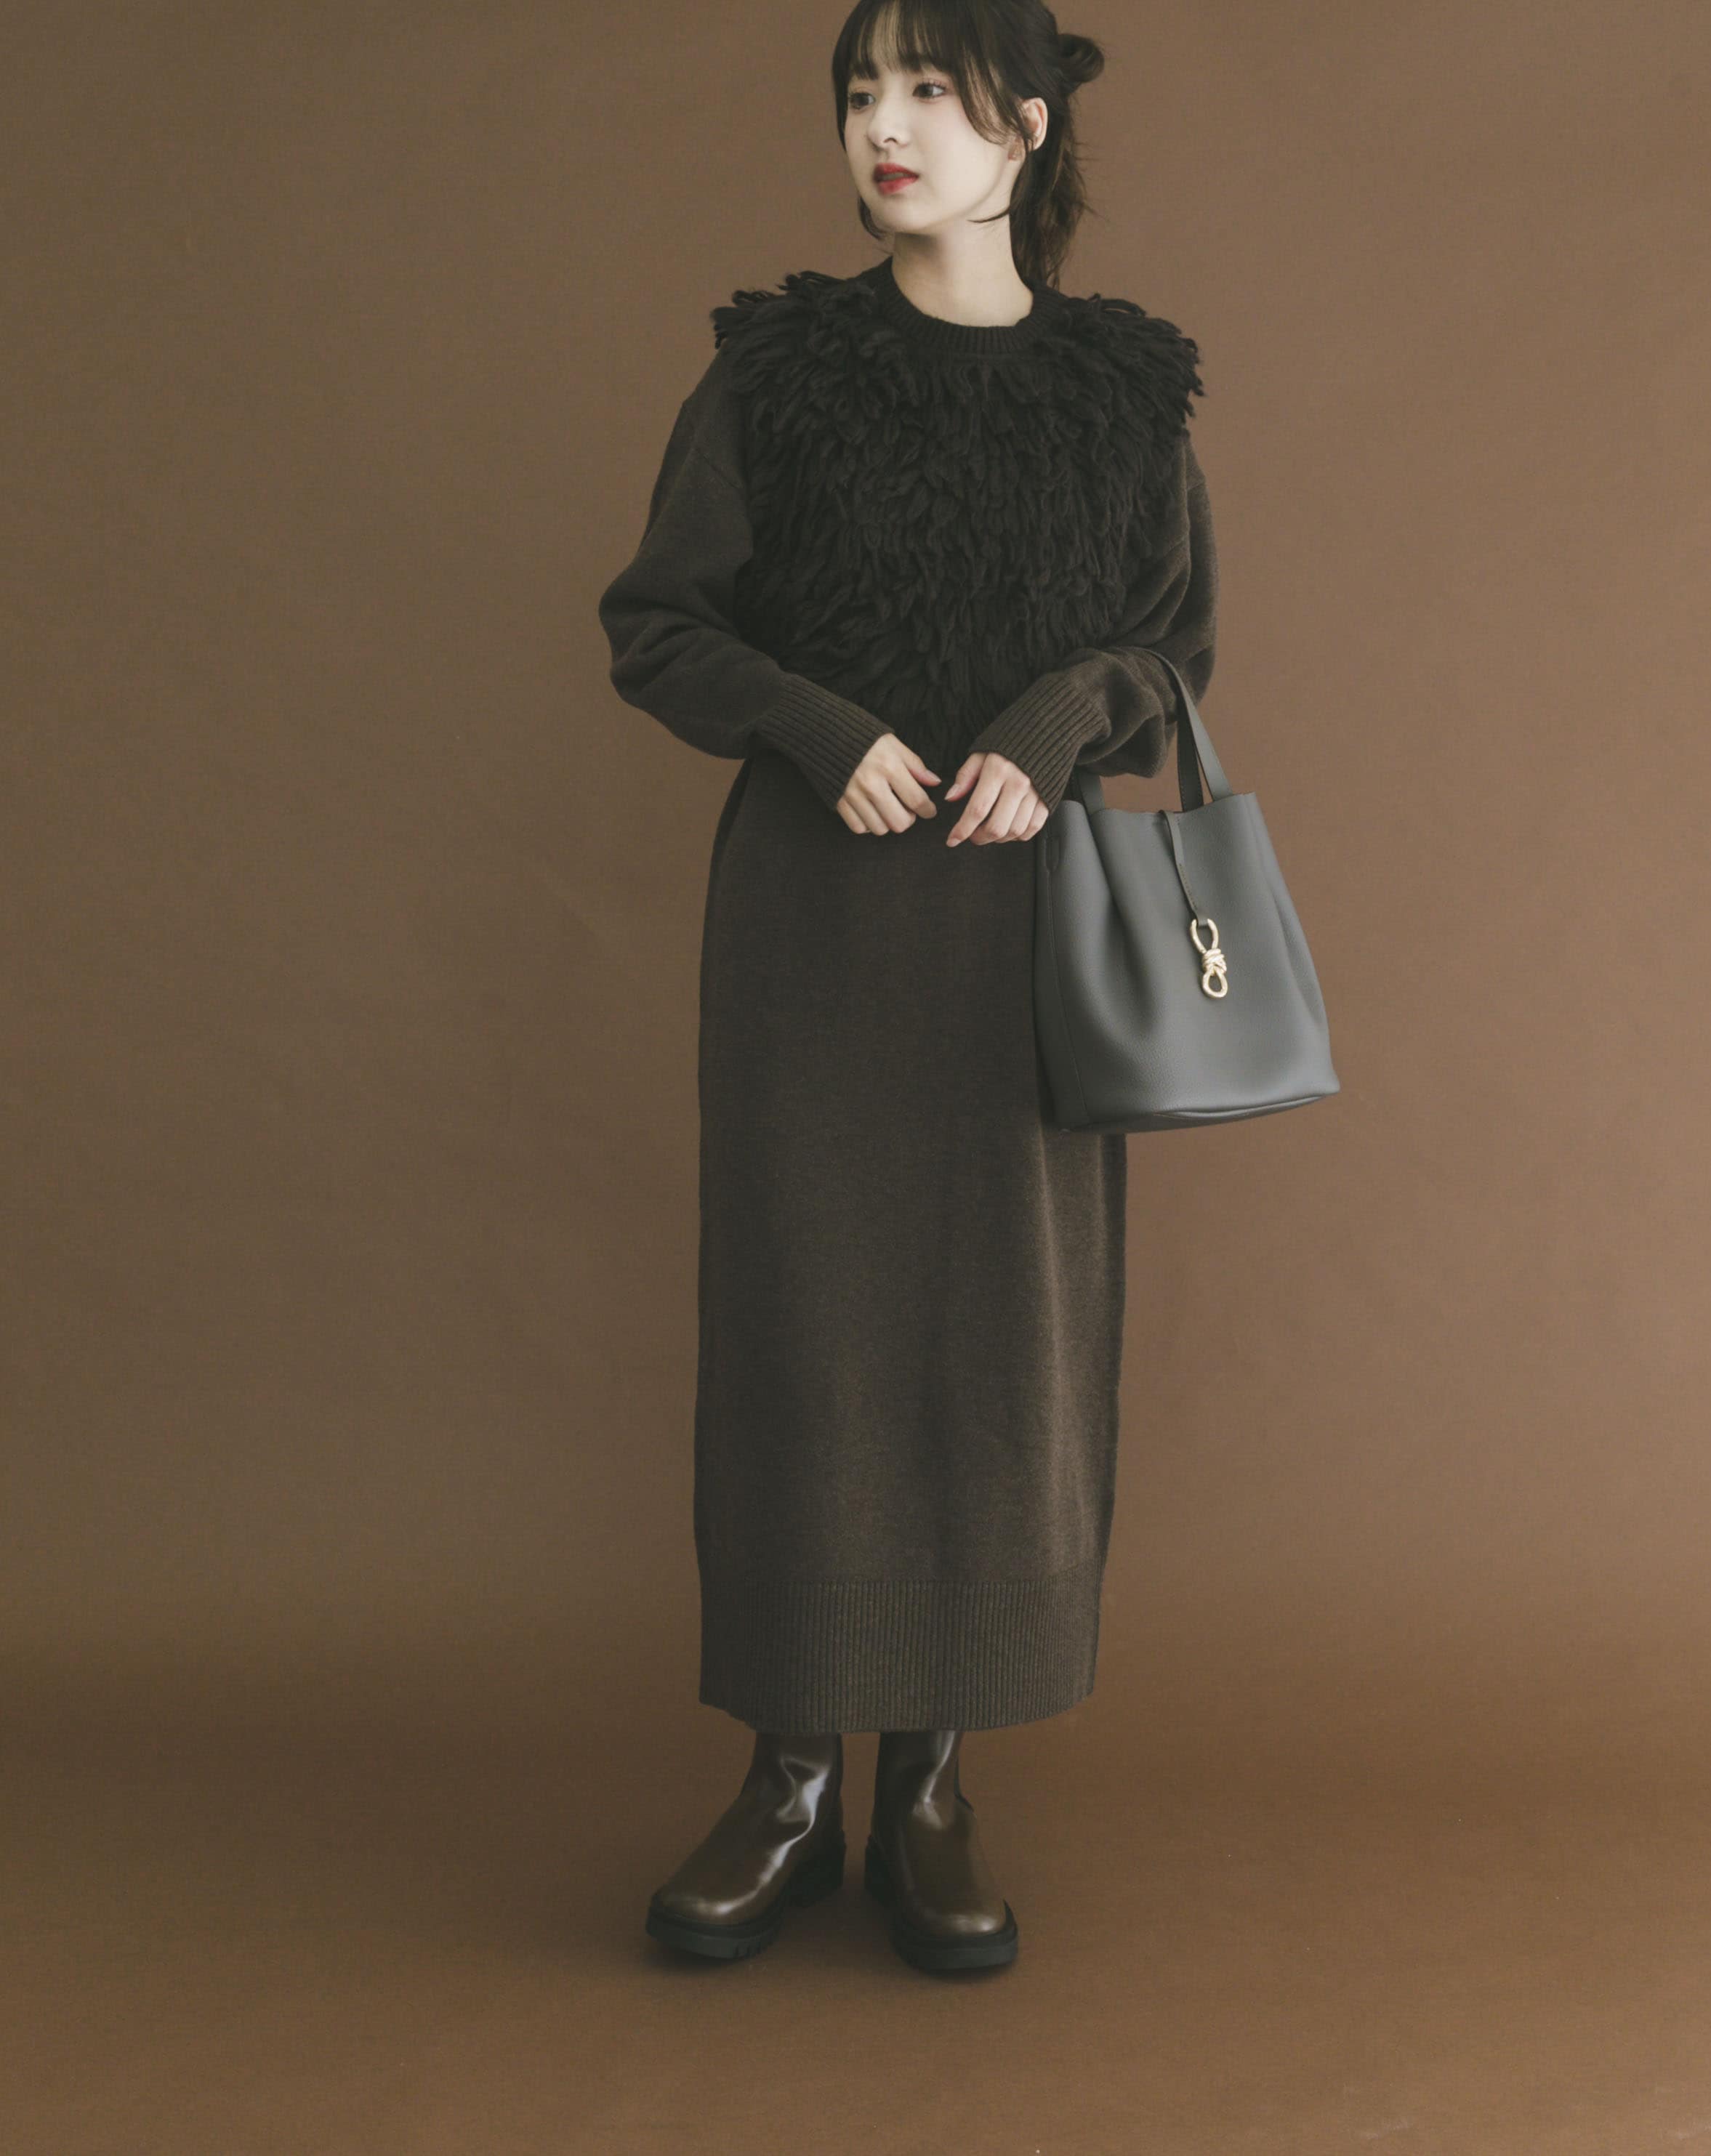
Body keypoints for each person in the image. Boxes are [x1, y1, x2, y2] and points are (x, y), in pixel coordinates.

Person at [597, 0, 1217, 1976]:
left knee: (993, 1340)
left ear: (1023, 124)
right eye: (860, 91)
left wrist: (1056, 716)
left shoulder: (1123, 394)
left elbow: (1173, 651)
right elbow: (657, 622)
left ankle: (930, 1780)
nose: (885, 125)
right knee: (808, 1327)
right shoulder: (776, 376)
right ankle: (790, 1776)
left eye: (928, 90)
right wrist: (812, 725)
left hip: (1032, 934)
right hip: (815, 929)